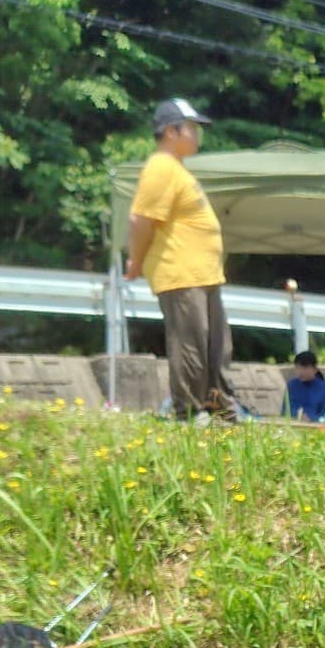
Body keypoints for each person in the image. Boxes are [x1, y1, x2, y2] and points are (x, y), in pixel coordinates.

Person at [124, 98, 235, 425]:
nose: (197, 135)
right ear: (171, 132)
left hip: (203, 275)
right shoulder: (160, 167)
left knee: (216, 346)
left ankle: (220, 410)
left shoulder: (177, 170)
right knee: (191, 345)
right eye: (192, 128)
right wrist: (135, 262)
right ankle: (188, 412)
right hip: (181, 273)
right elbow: (141, 219)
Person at [285, 349, 325, 423]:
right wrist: (298, 416)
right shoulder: (292, 385)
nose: (300, 372)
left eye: (305, 368)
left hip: (317, 425)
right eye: (298, 368)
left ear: (315, 369)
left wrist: (313, 418)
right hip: (295, 424)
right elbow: (286, 409)